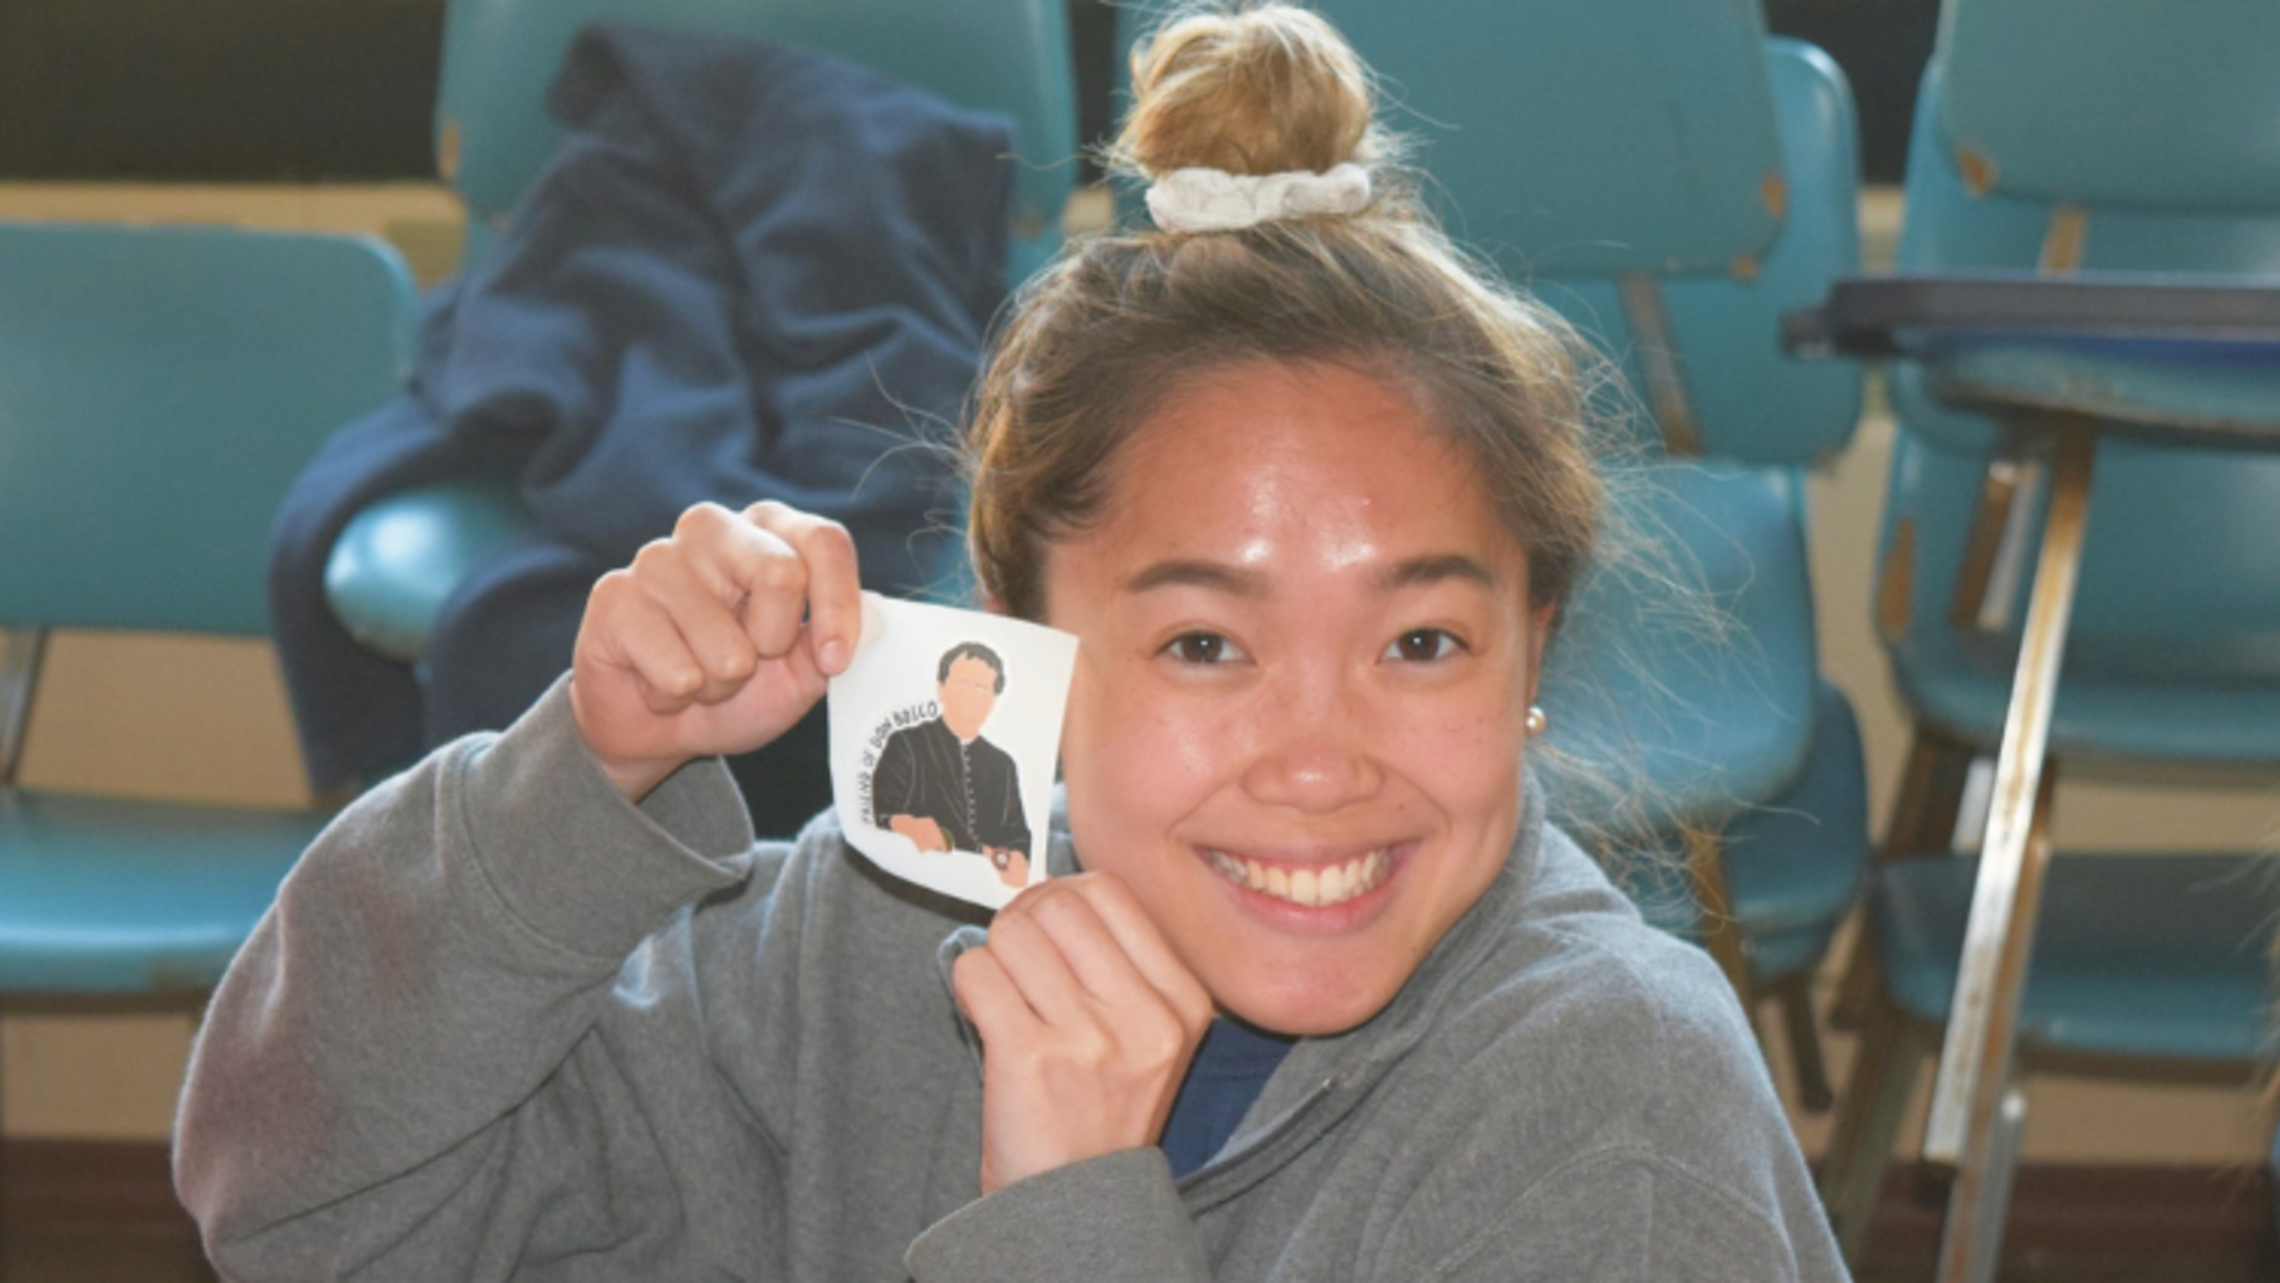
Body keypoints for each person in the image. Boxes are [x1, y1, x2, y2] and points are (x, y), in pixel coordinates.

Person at [174, 5, 1850, 1279]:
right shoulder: (882, 930)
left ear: (1532, 652)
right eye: (1205, 643)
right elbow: (304, 1198)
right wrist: (580, 773)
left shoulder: (1618, 1099)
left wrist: (1058, 1209)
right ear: (1023, 652)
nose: (1324, 757)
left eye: (1421, 641)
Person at [872, 641, 1033, 882]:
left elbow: (1016, 833)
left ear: (993, 698)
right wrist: (904, 825)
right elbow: (880, 811)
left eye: (981, 687)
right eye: (962, 683)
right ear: (941, 688)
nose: (970, 696)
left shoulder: (1002, 764)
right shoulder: (906, 743)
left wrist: (1017, 857)